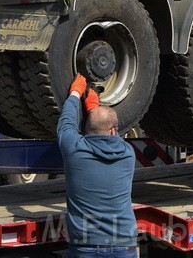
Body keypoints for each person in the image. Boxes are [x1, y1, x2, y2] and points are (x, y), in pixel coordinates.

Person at [57, 74, 138, 257]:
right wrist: (93, 108)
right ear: (113, 131)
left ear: (87, 128)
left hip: (86, 245)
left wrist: (75, 92)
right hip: (123, 243)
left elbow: (67, 122)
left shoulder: (74, 150)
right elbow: (112, 136)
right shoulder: (128, 154)